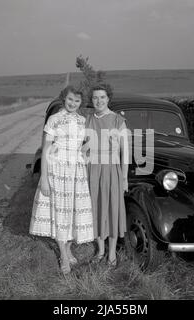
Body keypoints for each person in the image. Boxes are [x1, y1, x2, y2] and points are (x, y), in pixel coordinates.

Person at [29, 85, 94, 275]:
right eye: (70, 100)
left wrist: (86, 156)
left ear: (81, 103)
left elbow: (84, 146)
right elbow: (46, 149)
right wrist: (44, 179)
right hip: (57, 169)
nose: (73, 103)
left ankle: (67, 247)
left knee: (72, 210)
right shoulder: (54, 119)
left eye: (77, 101)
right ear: (64, 99)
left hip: (76, 171)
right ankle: (64, 256)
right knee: (60, 210)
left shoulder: (83, 121)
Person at [84, 83, 129, 267]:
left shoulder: (118, 120)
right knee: (95, 209)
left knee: (111, 210)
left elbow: (125, 152)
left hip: (112, 171)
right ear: (92, 100)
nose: (99, 100)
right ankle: (100, 250)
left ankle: (111, 253)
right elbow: (81, 147)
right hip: (92, 170)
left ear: (108, 98)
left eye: (102, 97)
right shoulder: (87, 120)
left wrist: (124, 178)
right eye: (95, 97)